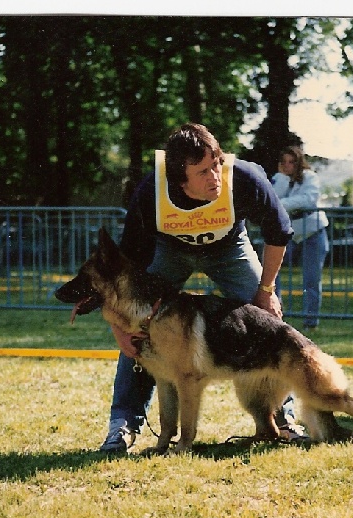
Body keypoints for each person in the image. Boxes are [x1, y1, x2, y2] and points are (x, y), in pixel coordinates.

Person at [99, 122, 303, 452]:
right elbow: (123, 267)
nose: (215, 176)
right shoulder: (151, 190)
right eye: (203, 172)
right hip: (170, 252)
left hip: (229, 248)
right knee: (139, 332)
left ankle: (284, 417)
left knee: (270, 321)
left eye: (217, 164)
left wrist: (266, 290)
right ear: (179, 180)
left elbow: (279, 231)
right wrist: (118, 327)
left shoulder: (245, 177)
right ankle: (124, 423)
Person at [271, 145, 330, 331]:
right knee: (272, 275)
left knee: (311, 279)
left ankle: (310, 322)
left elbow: (308, 199)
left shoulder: (310, 177)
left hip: (313, 232)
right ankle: (275, 317)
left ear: (299, 162)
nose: (288, 166)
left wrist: (281, 204)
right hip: (289, 233)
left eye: (292, 162)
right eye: (284, 162)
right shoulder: (278, 179)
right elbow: (272, 198)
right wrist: (281, 178)